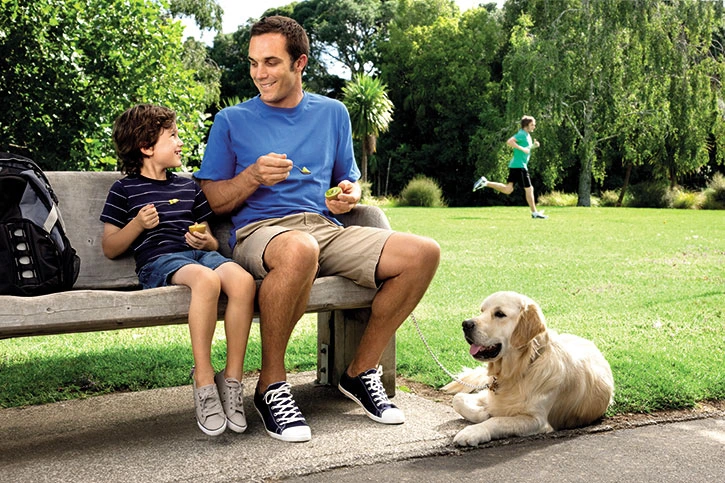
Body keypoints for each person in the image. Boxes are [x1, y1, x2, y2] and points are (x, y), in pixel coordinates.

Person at [194, 15, 441, 443]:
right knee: (299, 249)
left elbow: (349, 180)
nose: (259, 74)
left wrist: (350, 193)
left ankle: (361, 370)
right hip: (261, 233)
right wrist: (252, 176)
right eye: (253, 63)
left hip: (325, 228)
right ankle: (271, 385)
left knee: (424, 253)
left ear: (300, 63)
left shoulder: (333, 114)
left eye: (270, 62)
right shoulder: (232, 120)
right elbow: (213, 200)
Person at [100, 104, 256, 437]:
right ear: (146, 147)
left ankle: (231, 381)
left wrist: (207, 243)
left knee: (243, 281)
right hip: (160, 261)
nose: (181, 142)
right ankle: (202, 379)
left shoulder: (188, 187)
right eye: (173, 135)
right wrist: (138, 224)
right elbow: (111, 247)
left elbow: (210, 238)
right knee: (206, 280)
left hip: (197, 255)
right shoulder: (124, 190)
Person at [473, 115, 548, 219]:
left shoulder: (527, 135)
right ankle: (534, 213)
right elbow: (509, 141)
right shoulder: (521, 134)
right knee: (529, 189)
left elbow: (526, 149)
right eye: (532, 124)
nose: (534, 126)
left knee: (508, 189)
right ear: (526, 125)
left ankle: (485, 182)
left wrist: (533, 146)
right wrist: (522, 148)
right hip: (519, 166)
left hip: (516, 165)